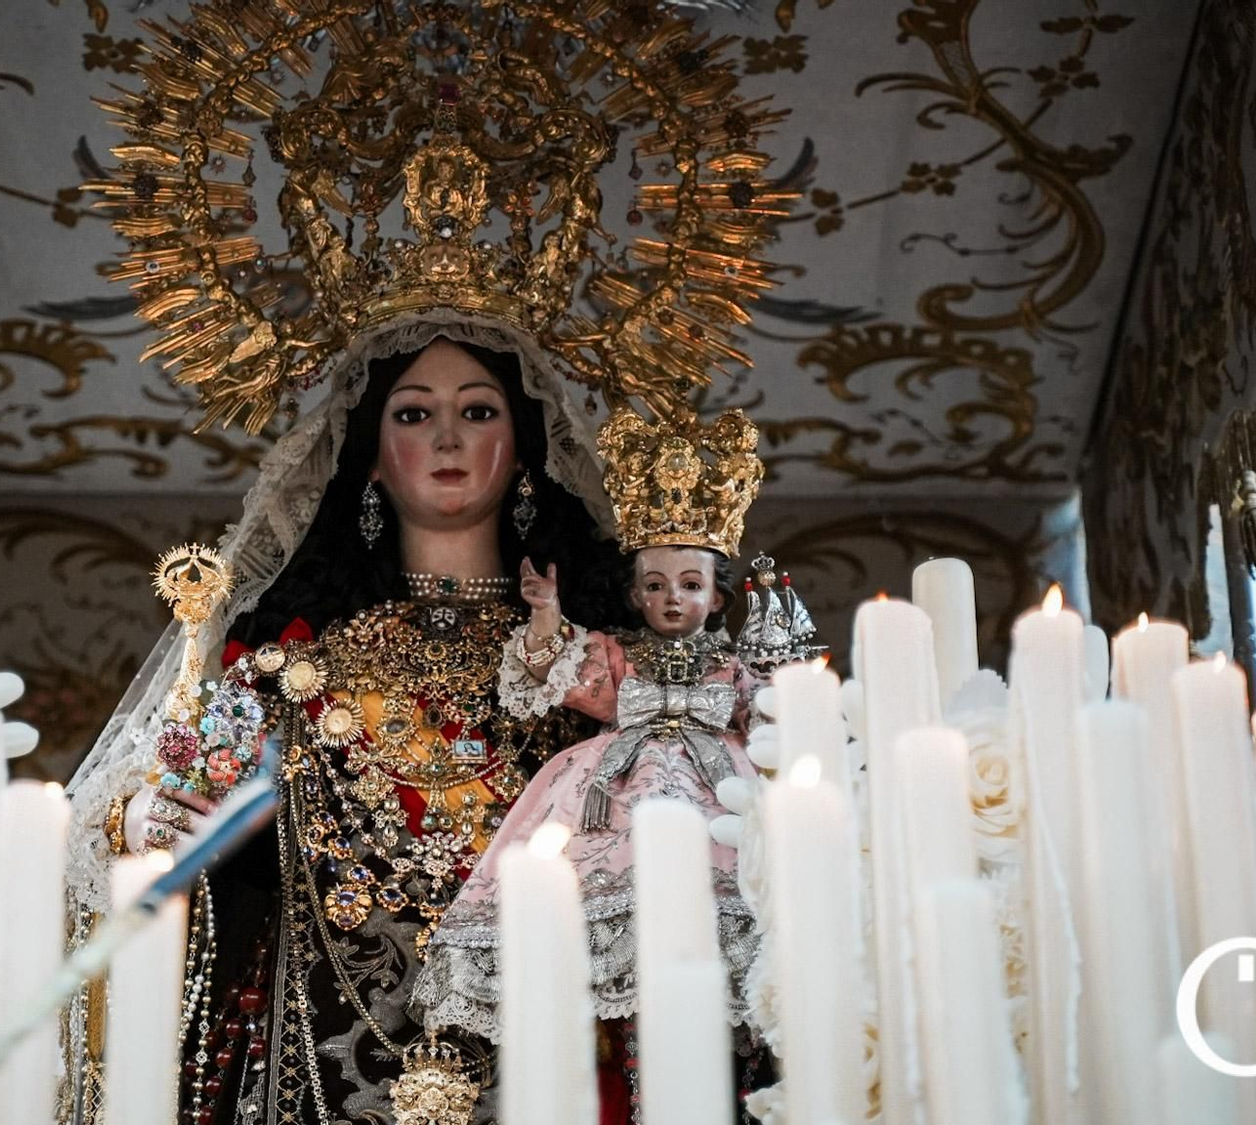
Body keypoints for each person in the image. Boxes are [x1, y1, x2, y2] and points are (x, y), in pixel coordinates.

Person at [72, 330, 630, 1125]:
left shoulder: (582, 671)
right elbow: (162, 794)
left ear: (524, 452)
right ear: (370, 455)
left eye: (477, 411)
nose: (446, 438)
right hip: (318, 1061)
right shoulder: (296, 671)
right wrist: (140, 821)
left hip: (547, 1055)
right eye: (412, 414)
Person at [411, 408, 773, 1114]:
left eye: (691, 584)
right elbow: (553, 671)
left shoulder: (731, 664)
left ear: (718, 595)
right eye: (658, 584)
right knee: (609, 936)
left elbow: (772, 716)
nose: (674, 598)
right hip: (610, 796)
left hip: (718, 803)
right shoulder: (616, 653)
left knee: (720, 946)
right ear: (636, 593)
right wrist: (546, 614)